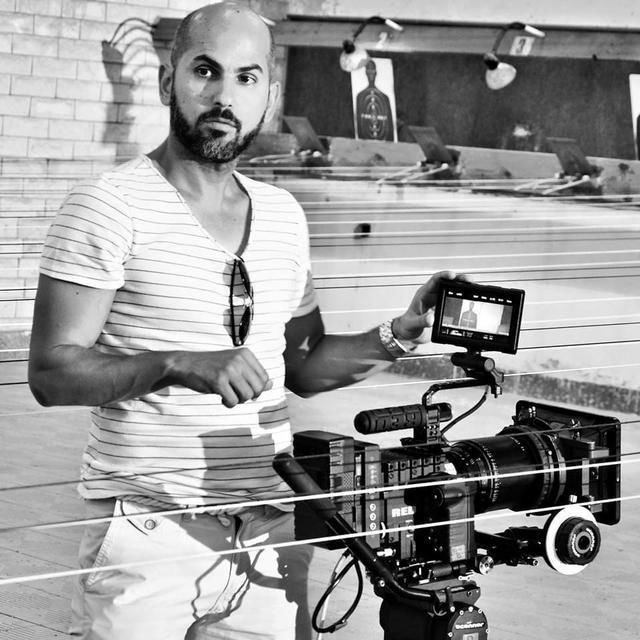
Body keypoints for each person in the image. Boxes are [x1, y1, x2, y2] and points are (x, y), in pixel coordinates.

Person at [27, 4, 465, 639]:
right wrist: (176, 364)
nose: (224, 96)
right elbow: (51, 372)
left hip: (270, 535)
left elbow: (303, 364)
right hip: (152, 534)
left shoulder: (284, 216)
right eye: (205, 71)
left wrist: (398, 333)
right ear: (168, 81)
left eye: (246, 77)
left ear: (269, 96)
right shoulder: (108, 205)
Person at [354, 58, 395, 141]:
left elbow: (389, 130)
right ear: (365, 72)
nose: (371, 73)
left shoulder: (385, 98)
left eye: (372, 70)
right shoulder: (360, 97)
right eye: (368, 70)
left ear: (376, 72)